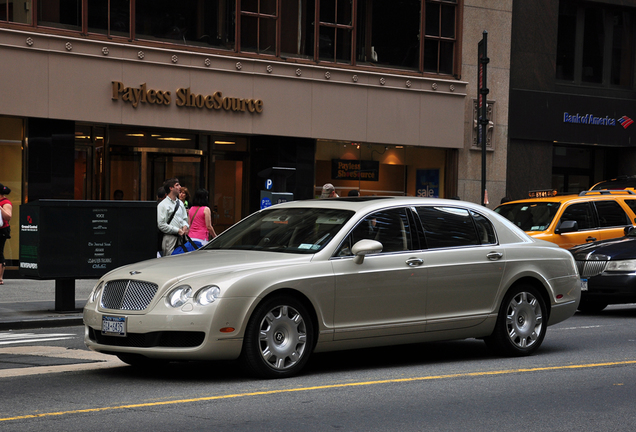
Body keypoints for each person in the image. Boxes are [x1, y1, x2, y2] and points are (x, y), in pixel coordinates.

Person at [157, 178, 189, 257]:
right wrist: (177, 230)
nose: (180, 187)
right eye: (177, 185)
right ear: (171, 188)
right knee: (169, 262)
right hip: (169, 239)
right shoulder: (162, 205)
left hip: (182, 239)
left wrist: (185, 226)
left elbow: (185, 218)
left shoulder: (180, 203)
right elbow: (161, 224)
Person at [0, 184, 12, 285]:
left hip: (2, 230)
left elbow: (8, 216)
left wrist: (0, 208)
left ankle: (0, 278)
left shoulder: (5, 202)